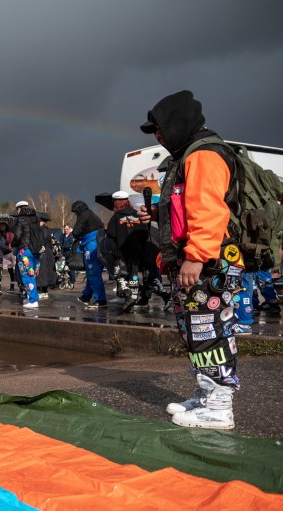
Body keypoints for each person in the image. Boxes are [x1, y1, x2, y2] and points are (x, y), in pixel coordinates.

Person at [138, 90, 243, 429]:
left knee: (210, 331)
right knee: (196, 332)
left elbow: (209, 210)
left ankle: (219, 406)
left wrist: (196, 257)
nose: (158, 136)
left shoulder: (204, 155)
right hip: (197, 261)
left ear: (177, 123)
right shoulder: (187, 157)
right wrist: (157, 214)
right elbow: (186, 209)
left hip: (209, 264)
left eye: (160, 128)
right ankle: (206, 393)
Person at [72, 201, 107, 308]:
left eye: (75, 212)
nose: (75, 214)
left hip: (91, 244)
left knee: (93, 272)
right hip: (98, 243)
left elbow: (76, 232)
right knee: (92, 272)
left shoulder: (83, 215)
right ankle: (86, 296)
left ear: (78, 209)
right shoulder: (91, 214)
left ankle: (100, 300)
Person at [11, 201, 43, 308]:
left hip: (25, 250)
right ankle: (29, 297)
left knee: (27, 275)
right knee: (32, 274)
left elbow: (17, 236)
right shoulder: (36, 218)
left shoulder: (21, 220)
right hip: (36, 251)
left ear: (19, 209)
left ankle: (33, 300)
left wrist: (13, 244)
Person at [36, 212, 59, 299]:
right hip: (47, 254)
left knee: (43, 273)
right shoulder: (46, 230)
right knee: (44, 272)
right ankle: (44, 291)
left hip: (45, 254)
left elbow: (43, 242)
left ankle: (43, 291)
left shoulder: (43, 231)